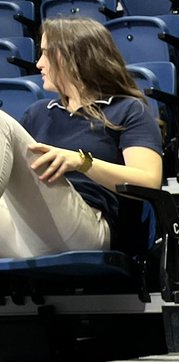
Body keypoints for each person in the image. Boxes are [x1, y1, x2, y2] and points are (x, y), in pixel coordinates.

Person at [0, 17, 163, 258]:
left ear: (74, 57)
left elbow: (149, 181)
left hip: (89, 228)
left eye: (46, 54)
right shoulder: (37, 113)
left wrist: (82, 162)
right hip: (28, 233)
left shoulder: (128, 110)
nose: (38, 64)